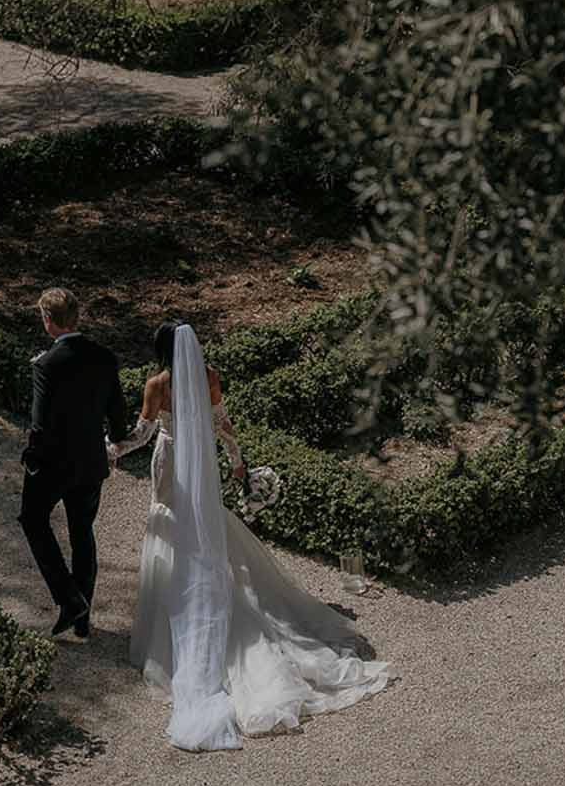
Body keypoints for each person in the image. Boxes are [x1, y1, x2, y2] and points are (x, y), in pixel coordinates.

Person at [108, 320, 391, 749]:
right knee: (205, 526)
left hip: (169, 465)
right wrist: (238, 463)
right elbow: (223, 424)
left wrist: (110, 449)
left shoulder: (158, 384)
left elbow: (144, 434)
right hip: (201, 468)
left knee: (169, 527)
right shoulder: (209, 377)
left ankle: (177, 621)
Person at [19, 285, 129, 640]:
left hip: (54, 464)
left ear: (48, 321)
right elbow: (118, 419)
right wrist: (110, 444)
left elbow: (41, 423)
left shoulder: (46, 364)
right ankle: (82, 619)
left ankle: (69, 598)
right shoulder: (105, 357)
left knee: (33, 520)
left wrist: (33, 458)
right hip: (91, 462)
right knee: (82, 533)